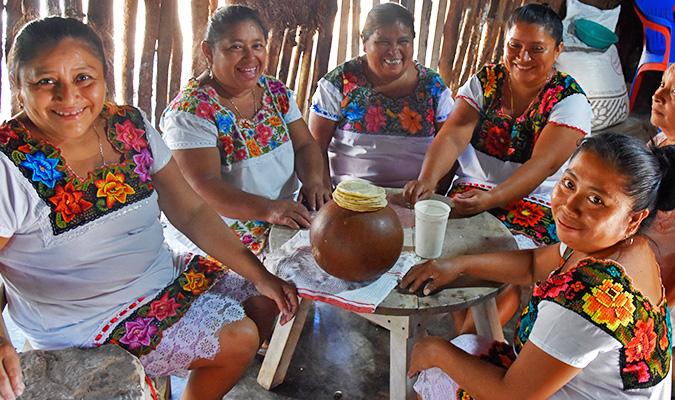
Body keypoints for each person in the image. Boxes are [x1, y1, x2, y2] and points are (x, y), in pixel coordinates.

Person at [0, 17, 298, 400]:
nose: (69, 96)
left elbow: (189, 211)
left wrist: (260, 274)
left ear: (104, 76)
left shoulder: (131, 127)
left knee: (266, 299)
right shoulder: (10, 164)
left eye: (83, 78)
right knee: (239, 338)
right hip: (82, 320)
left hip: (159, 274)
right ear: (19, 88)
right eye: (45, 82)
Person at [400, 132, 674, 399]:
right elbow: (532, 263)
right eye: (569, 183)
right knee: (465, 349)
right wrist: (457, 265)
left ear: (633, 220)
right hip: (577, 386)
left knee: (438, 369)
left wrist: (435, 351)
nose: (569, 205)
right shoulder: (628, 247)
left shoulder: (588, 297)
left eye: (596, 200)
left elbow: (513, 394)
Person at [404, 3, 593, 249]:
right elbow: (453, 135)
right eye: (514, 46)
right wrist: (427, 180)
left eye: (537, 49)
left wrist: (492, 198)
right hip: (471, 191)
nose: (523, 57)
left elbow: (544, 164)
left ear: (558, 50)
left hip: (535, 201)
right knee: (436, 245)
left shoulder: (569, 99)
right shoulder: (486, 81)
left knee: (509, 255)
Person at [160, 5, 331, 256]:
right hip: (223, 236)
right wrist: (270, 209)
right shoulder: (191, 112)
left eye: (257, 45)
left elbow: (305, 145)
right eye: (236, 47)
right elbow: (204, 187)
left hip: (282, 216)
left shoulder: (274, 91)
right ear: (209, 51)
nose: (250, 58)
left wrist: (314, 180)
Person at [309, 2, 455, 188]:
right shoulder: (338, 83)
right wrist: (325, 195)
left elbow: (450, 146)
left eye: (403, 41)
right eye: (383, 42)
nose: (394, 50)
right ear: (364, 42)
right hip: (350, 198)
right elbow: (315, 148)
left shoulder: (433, 87)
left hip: (412, 200)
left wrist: (434, 196)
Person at [648, 64, 675, 304]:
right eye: (661, 84)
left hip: (661, 286)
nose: (657, 95)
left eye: (674, 93)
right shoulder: (660, 140)